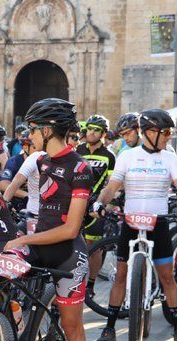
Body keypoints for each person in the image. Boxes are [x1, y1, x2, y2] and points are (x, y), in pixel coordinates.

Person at [1, 98, 94, 341]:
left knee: (73, 330)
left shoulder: (80, 168)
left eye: (32, 129)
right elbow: (24, 200)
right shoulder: (39, 161)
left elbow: (71, 228)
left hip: (67, 255)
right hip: (38, 246)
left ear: (48, 129)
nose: (28, 136)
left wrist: (24, 241)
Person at [92, 109, 177, 341]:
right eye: (165, 132)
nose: (169, 137)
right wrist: (100, 202)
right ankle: (109, 327)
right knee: (120, 276)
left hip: (157, 222)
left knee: (168, 277)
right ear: (149, 132)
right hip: (131, 222)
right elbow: (113, 186)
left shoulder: (169, 158)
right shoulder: (128, 156)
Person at [76, 114, 116, 290]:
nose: (91, 133)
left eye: (96, 130)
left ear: (103, 134)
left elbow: (111, 183)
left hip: (95, 204)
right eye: (89, 129)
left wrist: (107, 204)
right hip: (77, 202)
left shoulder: (109, 156)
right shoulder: (78, 151)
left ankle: (91, 285)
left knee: (94, 248)